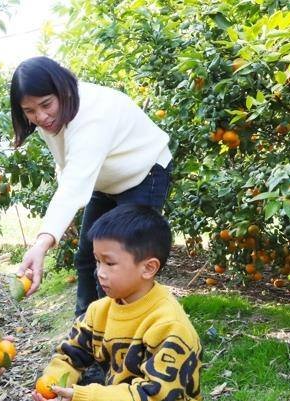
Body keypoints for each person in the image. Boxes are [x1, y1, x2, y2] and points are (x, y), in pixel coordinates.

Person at [31, 204, 211, 401]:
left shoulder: (169, 324)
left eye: (110, 263)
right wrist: (49, 389)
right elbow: (70, 356)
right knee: (67, 400)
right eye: (97, 260)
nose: (99, 272)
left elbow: (149, 396)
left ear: (148, 267)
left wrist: (85, 397)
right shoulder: (100, 310)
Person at [10, 56, 173, 317]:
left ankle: (120, 339)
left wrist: (41, 244)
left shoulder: (92, 114)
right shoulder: (51, 116)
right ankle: (85, 334)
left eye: (45, 104)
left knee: (119, 265)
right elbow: (68, 164)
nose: (40, 116)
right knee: (87, 258)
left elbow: (75, 182)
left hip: (144, 174)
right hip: (104, 181)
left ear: (62, 90)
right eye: (29, 111)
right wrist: (60, 221)